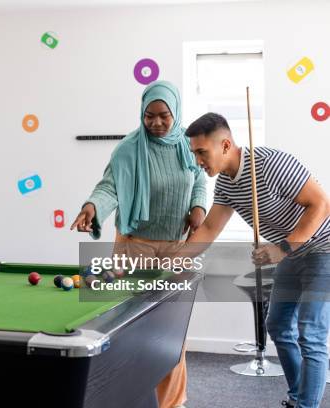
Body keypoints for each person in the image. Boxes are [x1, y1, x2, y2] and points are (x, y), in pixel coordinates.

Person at [71, 80, 207, 408]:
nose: (156, 123)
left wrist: (199, 207)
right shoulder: (129, 149)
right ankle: (128, 399)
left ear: (175, 112)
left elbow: (200, 177)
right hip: (135, 248)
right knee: (130, 332)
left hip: (177, 247)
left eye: (164, 116)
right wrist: (92, 207)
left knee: (173, 336)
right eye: (149, 116)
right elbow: (109, 188)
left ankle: (171, 404)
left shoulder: (189, 144)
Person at [183, 112, 330, 408]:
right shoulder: (226, 184)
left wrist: (282, 249)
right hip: (294, 252)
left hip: (324, 248)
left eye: (201, 152)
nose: (197, 161)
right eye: (194, 153)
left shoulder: (272, 164)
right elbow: (209, 229)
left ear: (225, 145)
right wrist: (173, 259)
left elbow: (322, 204)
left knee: (311, 332)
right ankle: (298, 396)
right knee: (277, 325)